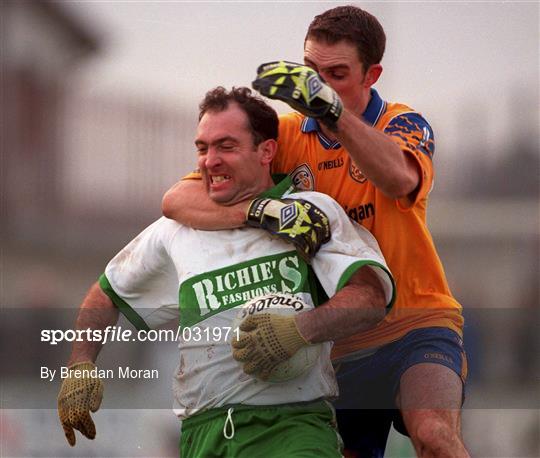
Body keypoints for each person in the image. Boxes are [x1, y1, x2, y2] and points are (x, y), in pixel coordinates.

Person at [161, 6, 469, 458]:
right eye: (311, 73)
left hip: (416, 324)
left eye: (336, 75)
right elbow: (178, 200)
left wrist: (333, 114)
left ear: (372, 74)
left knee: (434, 436)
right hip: (332, 344)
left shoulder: (403, 124)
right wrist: (260, 209)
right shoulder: (283, 137)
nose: (318, 87)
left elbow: (400, 180)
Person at [57, 86, 396, 457]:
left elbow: (370, 298)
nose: (209, 161)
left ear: (266, 151)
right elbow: (106, 294)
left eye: (226, 146)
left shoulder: (308, 213)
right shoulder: (176, 231)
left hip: (293, 427)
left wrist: (299, 331)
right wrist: (80, 364)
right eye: (202, 148)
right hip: (204, 434)